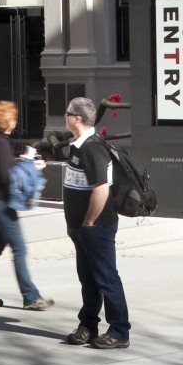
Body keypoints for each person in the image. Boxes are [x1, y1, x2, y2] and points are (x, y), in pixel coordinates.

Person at [58, 96, 129, 349]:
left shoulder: (93, 147)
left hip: (96, 226)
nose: (64, 117)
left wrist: (88, 222)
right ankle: (88, 325)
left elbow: (101, 189)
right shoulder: (79, 145)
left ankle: (119, 331)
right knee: (88, 279)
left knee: (106, 277)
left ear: (76, 118)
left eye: (67, 113)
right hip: (81, 227)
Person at [0, 100, 51, 310]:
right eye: (12, 118)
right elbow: (7, 177)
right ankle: (31, 297)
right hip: (2, 204)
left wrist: (24, 162)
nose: (15, 121)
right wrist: (31, 167)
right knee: (20, 249)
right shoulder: (1, 144)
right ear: (6, 121)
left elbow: (2, 169)